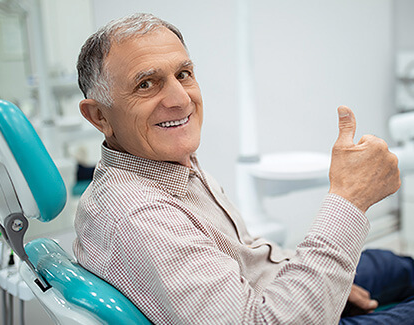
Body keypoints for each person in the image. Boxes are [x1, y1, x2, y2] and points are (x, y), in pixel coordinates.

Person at [73, 13, 414, 324]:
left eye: (183, 74)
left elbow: (249, 256)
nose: (180, 99)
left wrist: (324, 285)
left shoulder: (169, 166)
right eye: (146, 84)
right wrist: (349, 200)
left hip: (275, 291)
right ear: (99, 116)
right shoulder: (139, 214)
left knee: (393, 265)